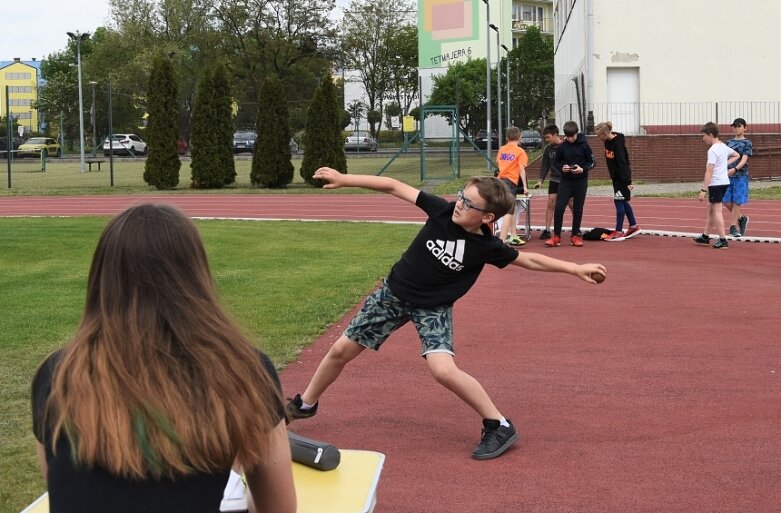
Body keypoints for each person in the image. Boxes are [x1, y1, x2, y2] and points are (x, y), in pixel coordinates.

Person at [285, 167, 607, 461]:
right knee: (341, 350)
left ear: (487, 217)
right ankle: (306, 405)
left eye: (469, 204)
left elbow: (531, 261)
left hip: (433, 308)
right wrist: (346, 179)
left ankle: (499, 424)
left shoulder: (487, 247)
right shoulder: (441, 210)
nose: (459, 205)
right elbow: (395, 186)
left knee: (442, 370)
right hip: (393, 294)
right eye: (461, 197)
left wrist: (575, 268)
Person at [31, 204, 296, 513]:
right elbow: (279, 508)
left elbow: (64, 488)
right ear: (196, 276)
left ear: (102, 278)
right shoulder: (241, 371)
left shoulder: (56, 375)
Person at [545, 121, 596, 247]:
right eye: (568, 136)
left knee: (578, 209)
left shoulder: (584, 145)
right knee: (559, 208)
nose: (570, 139)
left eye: (572, 136)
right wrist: (563, 167)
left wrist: (582, 169)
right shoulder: (563, 146)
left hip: (581, 181)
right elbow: (556, 162)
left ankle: (575, 236)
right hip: (566, 181)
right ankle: (556, 236)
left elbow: (593, 162)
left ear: (576, 133)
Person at [694, 122, 740, 249]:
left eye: (704, 136)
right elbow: (737, 155)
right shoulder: (723, 146)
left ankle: (723, 239)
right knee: (711, 209)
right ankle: (705, 236)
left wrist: (703, 189)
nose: (703, 138)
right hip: (723, 181)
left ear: (710, 134)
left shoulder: (712, 150)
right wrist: (724, 164)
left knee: (717, 211)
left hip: (716, 183)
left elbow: (709, 171)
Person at [595, 121, 641, 241]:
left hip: (622, 178)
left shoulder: (617, 144)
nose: (598, 138)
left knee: (619, 202)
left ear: (605, 133)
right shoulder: (607, 142)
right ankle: (634, 226)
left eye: (599, 136)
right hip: (615, 178)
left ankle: (618, 231)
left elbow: (623, 163)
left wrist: (628, 181)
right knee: (624, 202)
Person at [534, 124, 572, 240]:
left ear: (555, 135)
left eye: (548, 137)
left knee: (572, 205)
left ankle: (576, 229)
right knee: (551, 203)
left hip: (567, 180)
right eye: (545, 138)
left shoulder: (567, 146)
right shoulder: (548, 149)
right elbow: (545, 166)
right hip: (554, 180)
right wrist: (540, 180)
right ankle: (547, 230)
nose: (546, 140)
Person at [495, 126, 529, 246]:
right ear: (519, 138)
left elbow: (499, 164)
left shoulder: (502, 149)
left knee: (511, 209)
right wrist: (525, 187)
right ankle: (502, 241)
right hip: (510, 183)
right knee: (508, 213)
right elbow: (521, 169)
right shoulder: (520, 151)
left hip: (499, 181)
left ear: (506, 138)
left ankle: (513, 235)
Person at [724, 118, 752, 237]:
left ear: (745, 128)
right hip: (727, 176)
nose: (736, 128)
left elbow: (744, 159)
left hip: (740, 176)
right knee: (725, 200)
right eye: (734, 126)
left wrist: (735, 169)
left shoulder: (747, 143)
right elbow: (725, 158)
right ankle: (741, 218)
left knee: (737, 201)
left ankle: (733, 227)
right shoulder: (728, 142)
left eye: (739, 126)